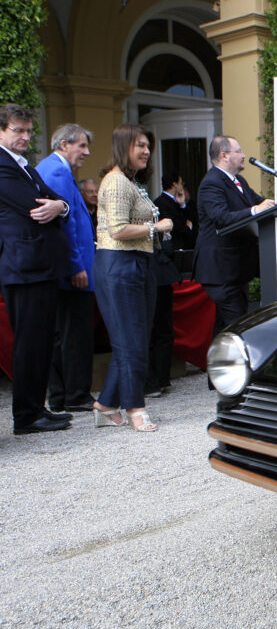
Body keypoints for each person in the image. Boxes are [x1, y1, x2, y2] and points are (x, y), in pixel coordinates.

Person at [92, 123, 172, 432]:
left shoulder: (130, 182)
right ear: (124, 146)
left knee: (134, 339)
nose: (147, 151)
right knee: (130, 342)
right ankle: (135, 407)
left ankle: (105, 404)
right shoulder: (114, 182)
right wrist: (158, 227)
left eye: (148, 146)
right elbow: (117, 230)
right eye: (140, 145)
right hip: (119, 265)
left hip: (137, 264)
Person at [0, 104, 73, 434]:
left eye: (29, 131)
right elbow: (34, 205)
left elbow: (56, 201)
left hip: (39, 266)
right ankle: (27, 415)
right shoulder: (2, 165)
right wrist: (55, 205)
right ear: (2, 130)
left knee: (42, 339)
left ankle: (35, 409)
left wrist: (61, 205)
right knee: (30, 342)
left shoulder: (25, 166)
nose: (26, 137)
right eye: (18, 130)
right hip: (23, 266)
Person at [37, 123, 97, 414]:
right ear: (64, 144)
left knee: (66, 333)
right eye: (82, 146)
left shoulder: (53, 168)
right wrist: (76, 265)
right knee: (75, 333)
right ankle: (75, 394)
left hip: (66, 267)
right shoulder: (58, 171)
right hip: (72, 269)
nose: (86, 152)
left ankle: (64, 394)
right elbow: (65, 223)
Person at [193, 135, 275, 336]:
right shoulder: (211, 183)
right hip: (220, 270)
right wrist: (256, 210)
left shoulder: (239, 181)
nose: (244, 155)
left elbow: (259, 202)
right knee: (238, 328)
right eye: (238, 151)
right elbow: (220, 217)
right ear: (224, 155)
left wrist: (275, 206)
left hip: (236, 269)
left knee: (225, 329)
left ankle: (217, 366)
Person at [145, 171, 189, 398]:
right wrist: (158, 228)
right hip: (153, 267)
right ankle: (153, 380)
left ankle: (160, 378)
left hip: (161, 268)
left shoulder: (151, 200)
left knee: (163, 328)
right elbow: (180, 230)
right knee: (155, 328)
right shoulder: (158, 203)